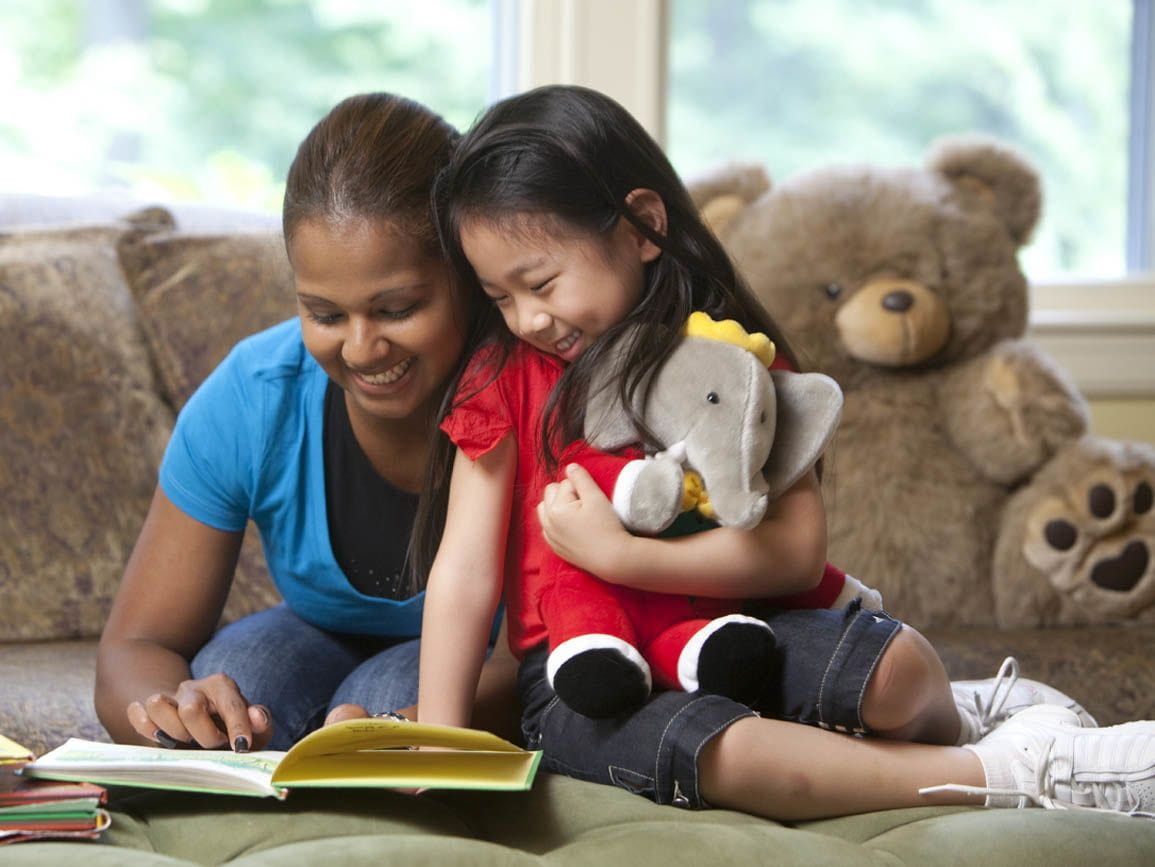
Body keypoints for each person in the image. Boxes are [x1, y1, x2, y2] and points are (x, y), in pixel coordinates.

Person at [416, 83, 1155, 820]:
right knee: (722, 751)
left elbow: (797, 552)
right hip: (587, 666)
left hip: (742, 627)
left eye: (540, 282)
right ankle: (1017, 771)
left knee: (895, 670)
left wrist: (622, 557)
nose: (528, 318)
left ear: (642, 226)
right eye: (500, 296)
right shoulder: (502, 377)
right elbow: (466, 567)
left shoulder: (731, 358)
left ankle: (974, 717)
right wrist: (439, 739)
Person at [94, 92, 518, 753]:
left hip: (487, 656)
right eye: (324, 314)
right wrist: (169, 711)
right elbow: (137, 644)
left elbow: (544, 666)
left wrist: (406, 728)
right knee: (233, 680)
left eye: (397, 308)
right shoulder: (254, 394)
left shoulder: (528, 390)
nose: (360, 348)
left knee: (382, 698)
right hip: (312, 629)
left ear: (467, 273)